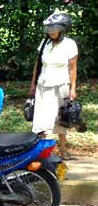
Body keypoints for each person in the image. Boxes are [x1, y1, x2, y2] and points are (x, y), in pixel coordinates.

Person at [29, 13, 79, 160]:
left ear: (63, 29)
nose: (50, 32)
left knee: (61, 119)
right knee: (41, 120)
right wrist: (33, 83)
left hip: (61, 85)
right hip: (43, 85)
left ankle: (63, 150)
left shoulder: (70, 44)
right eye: (49, 29)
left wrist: (73, 88)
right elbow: (37, 65)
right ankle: (42, 153)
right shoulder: (45, 43)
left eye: (54, 29)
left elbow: (73, 68)